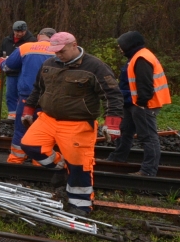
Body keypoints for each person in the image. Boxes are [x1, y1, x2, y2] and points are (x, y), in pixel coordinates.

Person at [21, 32, 124, 216]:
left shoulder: (95, 66)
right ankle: (62, 166)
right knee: (30, 146)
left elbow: (112, 95)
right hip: (48, 119)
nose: (58, 55)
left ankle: (81, 206)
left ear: (74, 45)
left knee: (80, 165)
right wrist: (28, 110)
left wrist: (113, 123)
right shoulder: (48, 64)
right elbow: (38, 89)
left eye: (62, 51)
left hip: (78, 123)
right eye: (56, 52)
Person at [107, 31, 170, 176]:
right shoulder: (137, 56)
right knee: (125, 131)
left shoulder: (141, 58)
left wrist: (141, 103)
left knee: (147, 136)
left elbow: (145, 84)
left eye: (121, 46)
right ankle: (118, 158)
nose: (119, 48)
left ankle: (148, 170)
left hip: (144, 105)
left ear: (129, 45)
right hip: (134, 103)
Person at [3, 28, 55, 163]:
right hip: (51, 97)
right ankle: (39, 161)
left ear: (38, 36)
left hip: (27, 95)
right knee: (44, 130)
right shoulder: (59, 49)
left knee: (21, 127)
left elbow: (8, 66)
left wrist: (1, 61)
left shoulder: (26, 47)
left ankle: (16, 159)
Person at [0, 21, 36, 120]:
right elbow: (0, 54)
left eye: (22, 31)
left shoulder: (31, 41)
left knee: (23, 94)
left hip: (23, 72)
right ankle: (12, 115)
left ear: (26, 30)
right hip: (10, 72)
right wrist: (2, 61)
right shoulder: (6, 40)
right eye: (17, 31)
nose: (19, 33)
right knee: (10, 94)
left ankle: (22, 114)